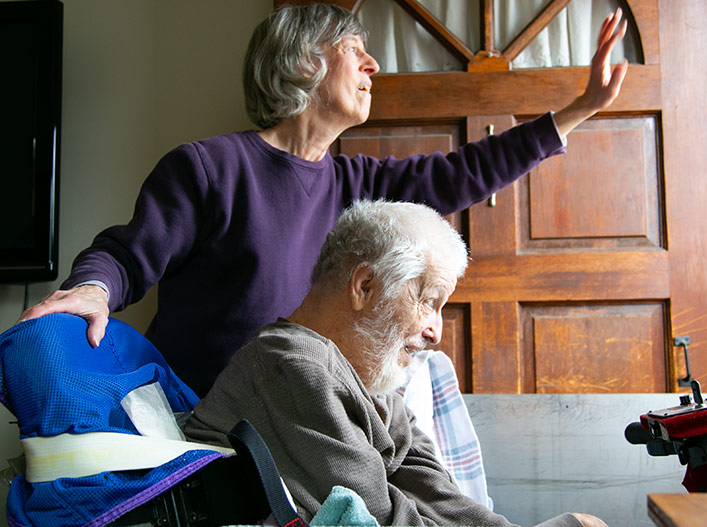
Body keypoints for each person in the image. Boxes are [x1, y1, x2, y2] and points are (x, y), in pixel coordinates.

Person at [17, 4, 628, 396]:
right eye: (354, 49)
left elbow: (461, 174)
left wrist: (580, 109)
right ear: (308, 60)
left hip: (299, 408)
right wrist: (91, 290)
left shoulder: (353, 184)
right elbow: (124, 257)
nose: (374, 63)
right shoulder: (209, 167)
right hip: (208, 410)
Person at [183, 199, 606, 527]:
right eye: (428, 302)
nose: (436, 331)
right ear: (365, 286)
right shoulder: (293, 367)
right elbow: (381, 520)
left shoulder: (369, 384)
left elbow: (440, 496)